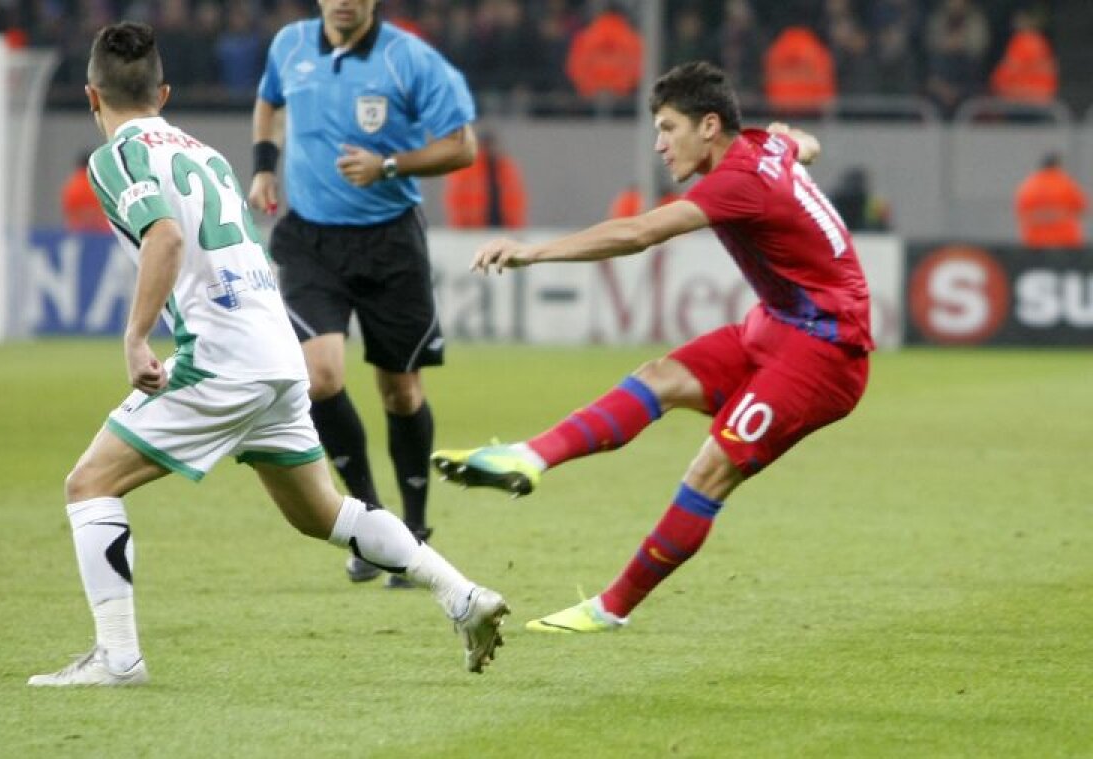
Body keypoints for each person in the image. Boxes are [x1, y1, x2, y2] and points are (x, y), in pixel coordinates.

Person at [28, 21, 507, 687]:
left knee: (89, 484)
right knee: (322, 512)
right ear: (163, 92)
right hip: (276, 352)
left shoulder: (115, 156)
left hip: (218, 357)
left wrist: (136, 336)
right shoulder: (204, 152)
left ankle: (117, 657)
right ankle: (462, 593)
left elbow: (164, 239)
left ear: (90, 96)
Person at [432, 61, 872, 634]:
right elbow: (798, 141)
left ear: (709, 126)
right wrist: (802, 145)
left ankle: (611, 608)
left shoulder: (742, 178)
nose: (661, 146)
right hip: (778, 324)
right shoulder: (766, 146)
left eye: (668, 128)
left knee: (710, 470)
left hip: (824, 352)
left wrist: (534, 252)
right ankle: (529, 457)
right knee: (660, 376)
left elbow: (638, 234)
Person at [249, 0, 477, 588]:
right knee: (319, 377)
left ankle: (417, 528)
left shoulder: (411, 60)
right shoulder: (290, 47)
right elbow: (269, 99)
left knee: (400, 392)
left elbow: (462, 146)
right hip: (311, 240)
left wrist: (390, 164)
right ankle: (374, 525)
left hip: (391, 244)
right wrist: (265, 167)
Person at [443, 129, 528, 229]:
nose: (489, 149)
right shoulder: (465, 169)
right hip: (474, 228)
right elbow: (455, 200)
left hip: (503, 227)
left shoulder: (505, 168)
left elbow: (516, 198)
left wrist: (515, 225)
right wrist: (460, 227)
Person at [1014, 152, 1087, 249]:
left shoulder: (1028, 186)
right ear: (1057, 165)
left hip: (1035, 241)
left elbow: (1021, 211)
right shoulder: (1066, 184)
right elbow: (1082, 207)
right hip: (1065, 240)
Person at [61, 150, 111, 233]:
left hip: (78, 231)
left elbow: (68, 210)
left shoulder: (72, 186)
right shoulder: (98, 181)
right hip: (101, 232)